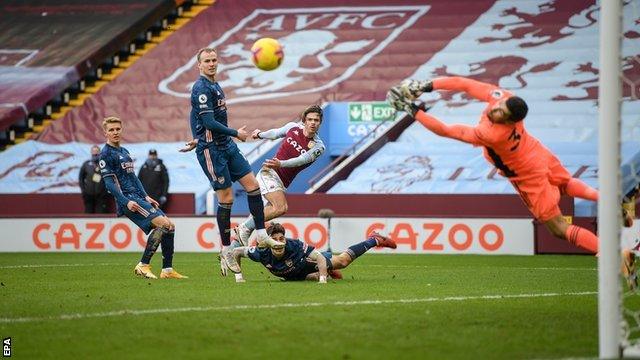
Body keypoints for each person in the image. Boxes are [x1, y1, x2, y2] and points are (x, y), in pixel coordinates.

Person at [387, 77, 638, 287]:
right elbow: (464, 84)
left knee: (558, 229)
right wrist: (425, 85)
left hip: (527, 175)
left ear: (509, 122)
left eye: (501, 113)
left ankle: (614, 254)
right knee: (566, 184)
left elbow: (446, 130)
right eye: (499, 106)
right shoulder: (503, 97)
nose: (495, 110)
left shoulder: (492, 134)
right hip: (538, 153)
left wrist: (413, 110)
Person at [179, 47, 282, 277]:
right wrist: (236, 132)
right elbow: (208, 121)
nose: (212, 63)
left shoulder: (215, 85)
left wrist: (197, 136)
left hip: (226, 146)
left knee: (253, 186)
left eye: (214, 59)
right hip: (212, 150)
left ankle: (261, 231)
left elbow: (195, 116)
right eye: (207, 61)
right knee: (226, 198)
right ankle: (226, 249)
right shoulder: (201, 88)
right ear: (199, 65)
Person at [99, 116, 187, 279]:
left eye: (118, 129)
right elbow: (109, 184)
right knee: (163, 225)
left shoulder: (124, 152)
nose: (115, 132)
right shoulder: (105, 154)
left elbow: (134, 178)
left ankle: (167, 270)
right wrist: (126, 201)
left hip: (138, 197)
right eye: (111, 130)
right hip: (128, 199)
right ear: (105, 133)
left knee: (170, 226)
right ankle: (143, 265)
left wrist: (146, 196)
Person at [233, 105, 326, 245]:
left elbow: (302, 160)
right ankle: (244, 228)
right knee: (281, 207)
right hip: (269, 173)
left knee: (259, 216)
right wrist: (260, 134)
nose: (313, 122)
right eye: (310, 119)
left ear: (320, 123)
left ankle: (232, 249)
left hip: (281, 182)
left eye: (316, 120)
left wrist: (281, 164)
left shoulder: (319, 147)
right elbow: (275, 133)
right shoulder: (293, 128)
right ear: (304, 121)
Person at [222, 223, 397, 283]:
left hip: (310, 262)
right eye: (275, 239)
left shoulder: (295, 246)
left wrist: (322, 279)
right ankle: (326, 272)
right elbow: (236, 252)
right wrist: (239, 276)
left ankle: (374, 239)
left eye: (282, 238)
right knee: (308, 278)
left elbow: (319, 257)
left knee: (342, 261)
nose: (279, 242)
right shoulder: (260, 253)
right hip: (296, 275)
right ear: (268, 241)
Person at [78, 145, 109, 213]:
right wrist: (84, 190)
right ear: (91, 152)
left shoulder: (104, 164)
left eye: (97, 152)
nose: (95, 154)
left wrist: (105, 190)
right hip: (89, 194)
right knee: (88, 212)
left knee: (101, 213)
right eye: (93, 152)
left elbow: (109, 177)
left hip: (101, 195)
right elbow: (81, 178)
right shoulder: (86, 164)